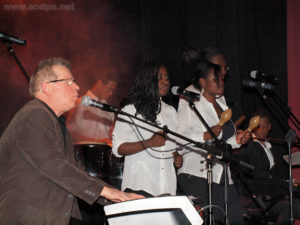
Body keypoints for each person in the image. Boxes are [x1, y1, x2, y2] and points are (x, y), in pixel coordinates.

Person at [0, 57, 143, 225]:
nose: (77, 86)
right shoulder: (34, 115)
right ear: (47, 88)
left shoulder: (57, 123)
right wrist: (109, 193)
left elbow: (76, 171)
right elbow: (54, 166)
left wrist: (117, 197)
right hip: (27, 217)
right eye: (68, 82)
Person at [176, 59, 250, 225]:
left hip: (223, 173)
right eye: (216, 78)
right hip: (197, 172)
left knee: (236, 219)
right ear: (203, 81)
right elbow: (177, 137)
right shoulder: (192, 102)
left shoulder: (222, 106)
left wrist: (237, 140)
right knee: (207, 221)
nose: (221, 81)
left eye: (222, 78)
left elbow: (225, 140)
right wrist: (203, 136)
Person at [112, 62, 182, 197]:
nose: (165, 81)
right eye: (159, 77)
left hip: (167, 189)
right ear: (147, 80)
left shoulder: (171, 112)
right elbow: (118, 148)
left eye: (166, 77)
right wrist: (148, 143)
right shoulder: (130, 110)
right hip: (139, 188)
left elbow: (174, 148)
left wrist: (178, 158)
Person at [234, 109, 300, 225]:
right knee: (289, 209)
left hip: (271, 193)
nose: (261, 130)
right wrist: (284, 182)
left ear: (270, 127)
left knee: (296, 204)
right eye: (258, 126)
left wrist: (289, 182)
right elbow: (256, 173)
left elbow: (273, 173)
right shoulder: (249, 146)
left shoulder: (269, 146)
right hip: (255, 196)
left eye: (264, 127)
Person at [66, 78, 117, 143]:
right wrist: (96, 141)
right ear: (99, 84)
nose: (111, 93)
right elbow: (69, 134)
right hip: (84, 151)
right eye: (110, 89)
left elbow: (109, 135)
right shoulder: (79, 104)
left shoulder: (109, 109)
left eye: (113, 90)